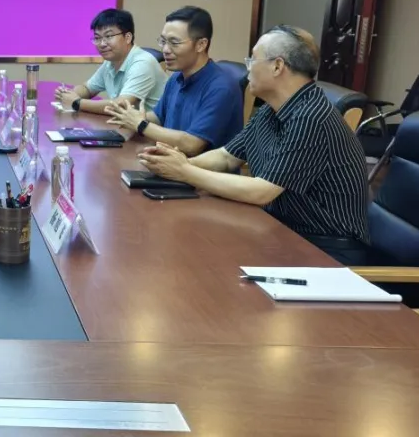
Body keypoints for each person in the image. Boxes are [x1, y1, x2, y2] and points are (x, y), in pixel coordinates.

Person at [138, 26, 370, 264]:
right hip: (282, 228)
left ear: (277, 66)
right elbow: (227, 156)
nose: (247, 69)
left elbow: (263, 191)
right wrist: (173, 164)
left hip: (326, 250)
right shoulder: (271, 109)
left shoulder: (311, 117)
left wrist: (185, 171)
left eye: (253, 60)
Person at [104, 6, 242, 156]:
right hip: (168, 160)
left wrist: (141, 124)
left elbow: (192, 144)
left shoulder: (221, 87)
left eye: (174, 43)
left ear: (201, 44)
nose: (165, 49)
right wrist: (130, 117)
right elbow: (158, 117)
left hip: (198, 169)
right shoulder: (177, 77)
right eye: (163, 41)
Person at [55, 8, 167, 114]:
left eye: (108, 36)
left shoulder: (143, 63)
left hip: (151, 126)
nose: (102, 44)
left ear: (127, 37)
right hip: (125, 124)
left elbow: (122, 105)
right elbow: (87, 88)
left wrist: (77, 103)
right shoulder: (110, 62)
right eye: (97, 38)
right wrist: (69, 95)